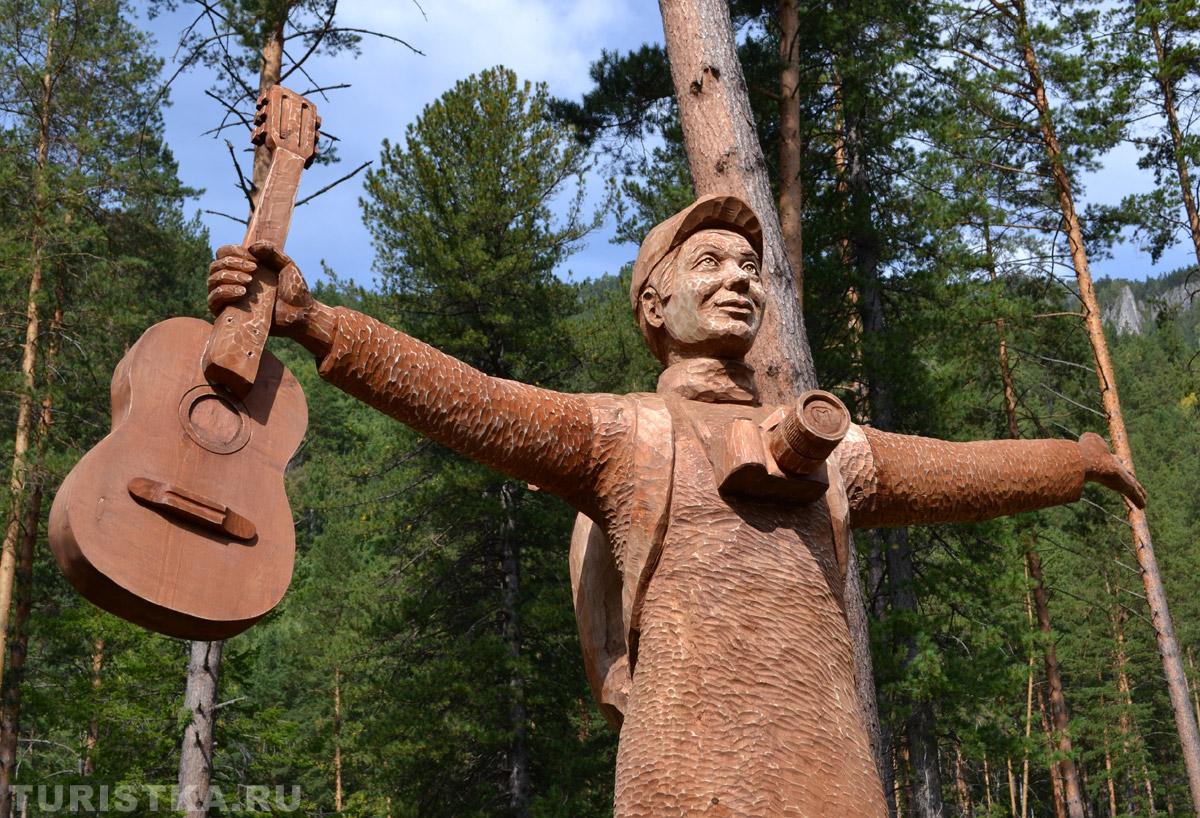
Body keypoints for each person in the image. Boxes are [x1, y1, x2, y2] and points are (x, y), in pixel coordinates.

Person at [209, 194, 1144, 817]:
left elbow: (962, 472)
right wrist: (318, 322)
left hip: (836, 776)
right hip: (685, 776)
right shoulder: (624, 434)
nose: (740, 277)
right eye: (710, 263)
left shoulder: (838, 454)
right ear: (654, 303)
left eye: (751, 266)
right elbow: (473, 402)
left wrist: (1075, 458)